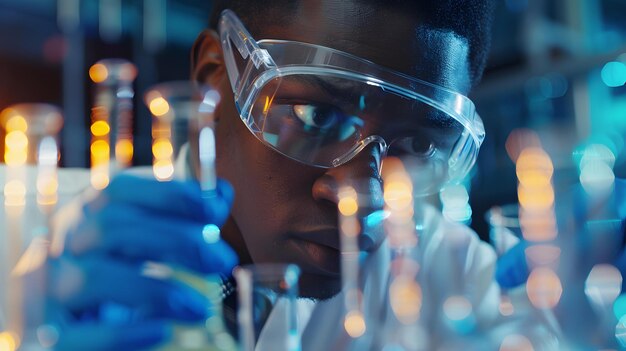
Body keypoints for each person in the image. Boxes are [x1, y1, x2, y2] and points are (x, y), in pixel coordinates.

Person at [43, 0, 529, 349]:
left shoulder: (452, 274)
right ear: (216, 79)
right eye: (317, 116)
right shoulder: (26, 240)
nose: (361, 197)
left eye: (418, 144)